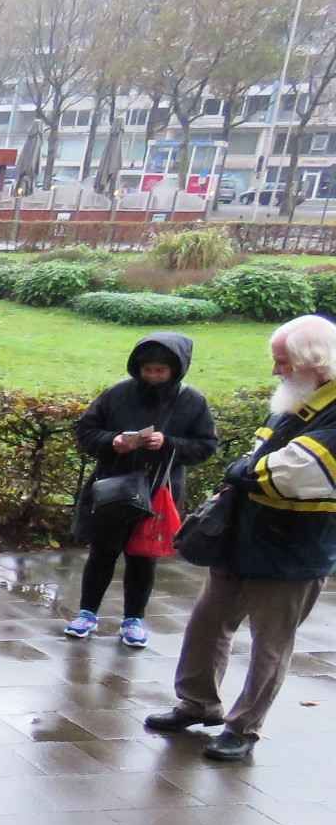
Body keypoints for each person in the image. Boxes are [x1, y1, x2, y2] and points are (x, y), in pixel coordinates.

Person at [145, 314, 336, 762]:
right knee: (207, 625)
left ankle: (244, 729)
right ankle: (198, 704)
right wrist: (246, 474)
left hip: (296, 550)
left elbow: (290, 473)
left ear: (318, 362)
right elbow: (263, 459)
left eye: (283, 362)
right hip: (245, 538)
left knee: (270, 644)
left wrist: (242, 473)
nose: (276, 371)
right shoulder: (301, 399)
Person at [65, 333, 218, 648]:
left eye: (160, 371)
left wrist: (169, 443)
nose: (153, 376)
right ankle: (87, 612)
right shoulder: (117, 394)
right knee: (102, 552)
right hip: (112, 487)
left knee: (143, 557)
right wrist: (113, 441)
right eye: (148, 370)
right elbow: (86, 431)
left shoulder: (192, 402)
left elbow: (205, 446)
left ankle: (134, 618)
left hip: (159, 492)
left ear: (176, 370)